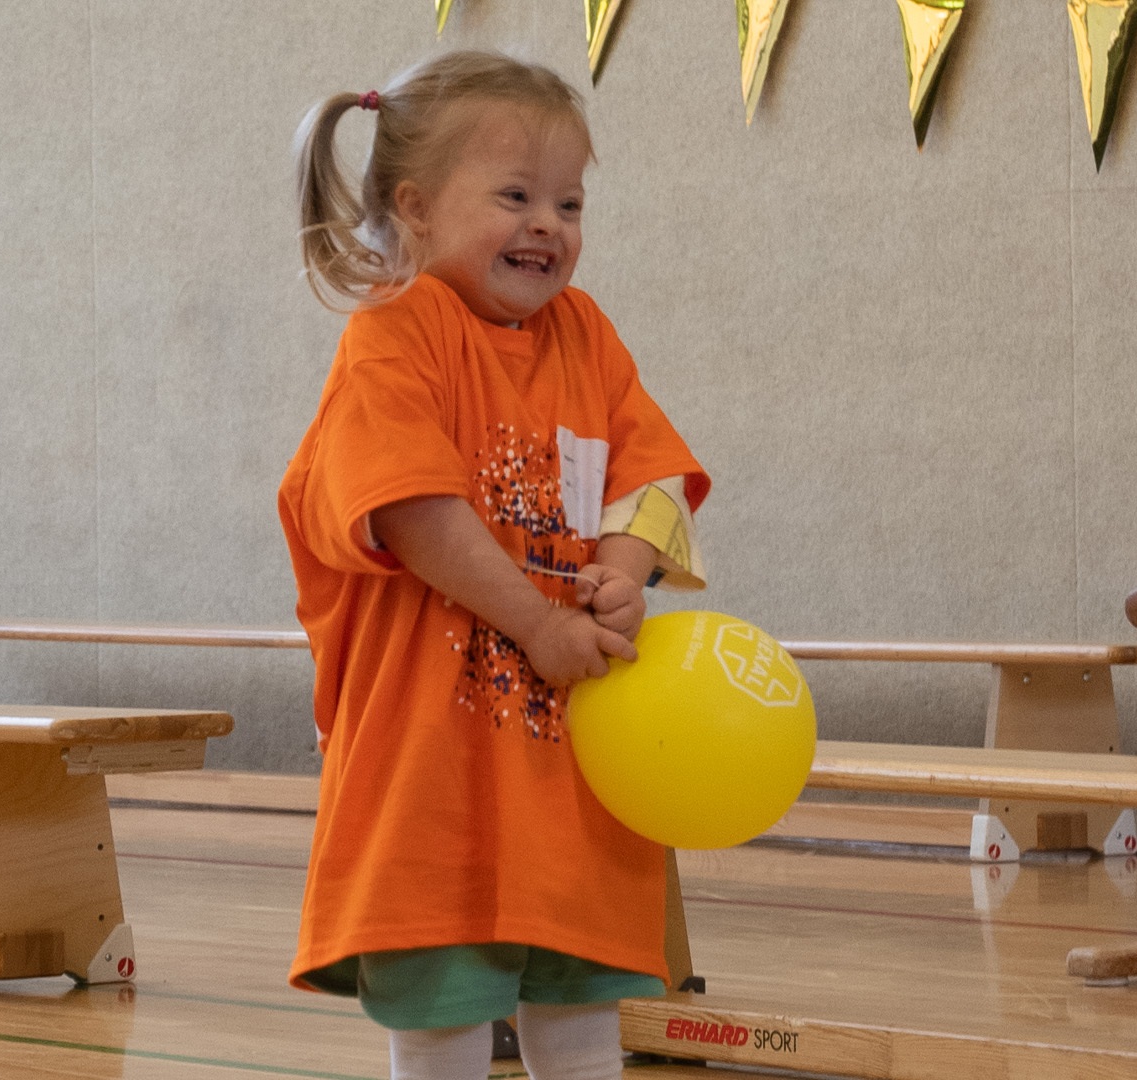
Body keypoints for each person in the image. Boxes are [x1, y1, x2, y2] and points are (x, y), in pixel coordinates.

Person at [278, 51, 711, 1080]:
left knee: (583, 1004)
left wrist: (621, 567)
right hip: (435, 765)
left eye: (568, 201)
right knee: (442, 1008)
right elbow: (414, 511)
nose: (548, 225)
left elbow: (651, 477)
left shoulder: (585, 332)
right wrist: (543, 623)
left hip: (566, 768)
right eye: (515, 196)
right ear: (415, 208)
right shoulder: (394, 337)